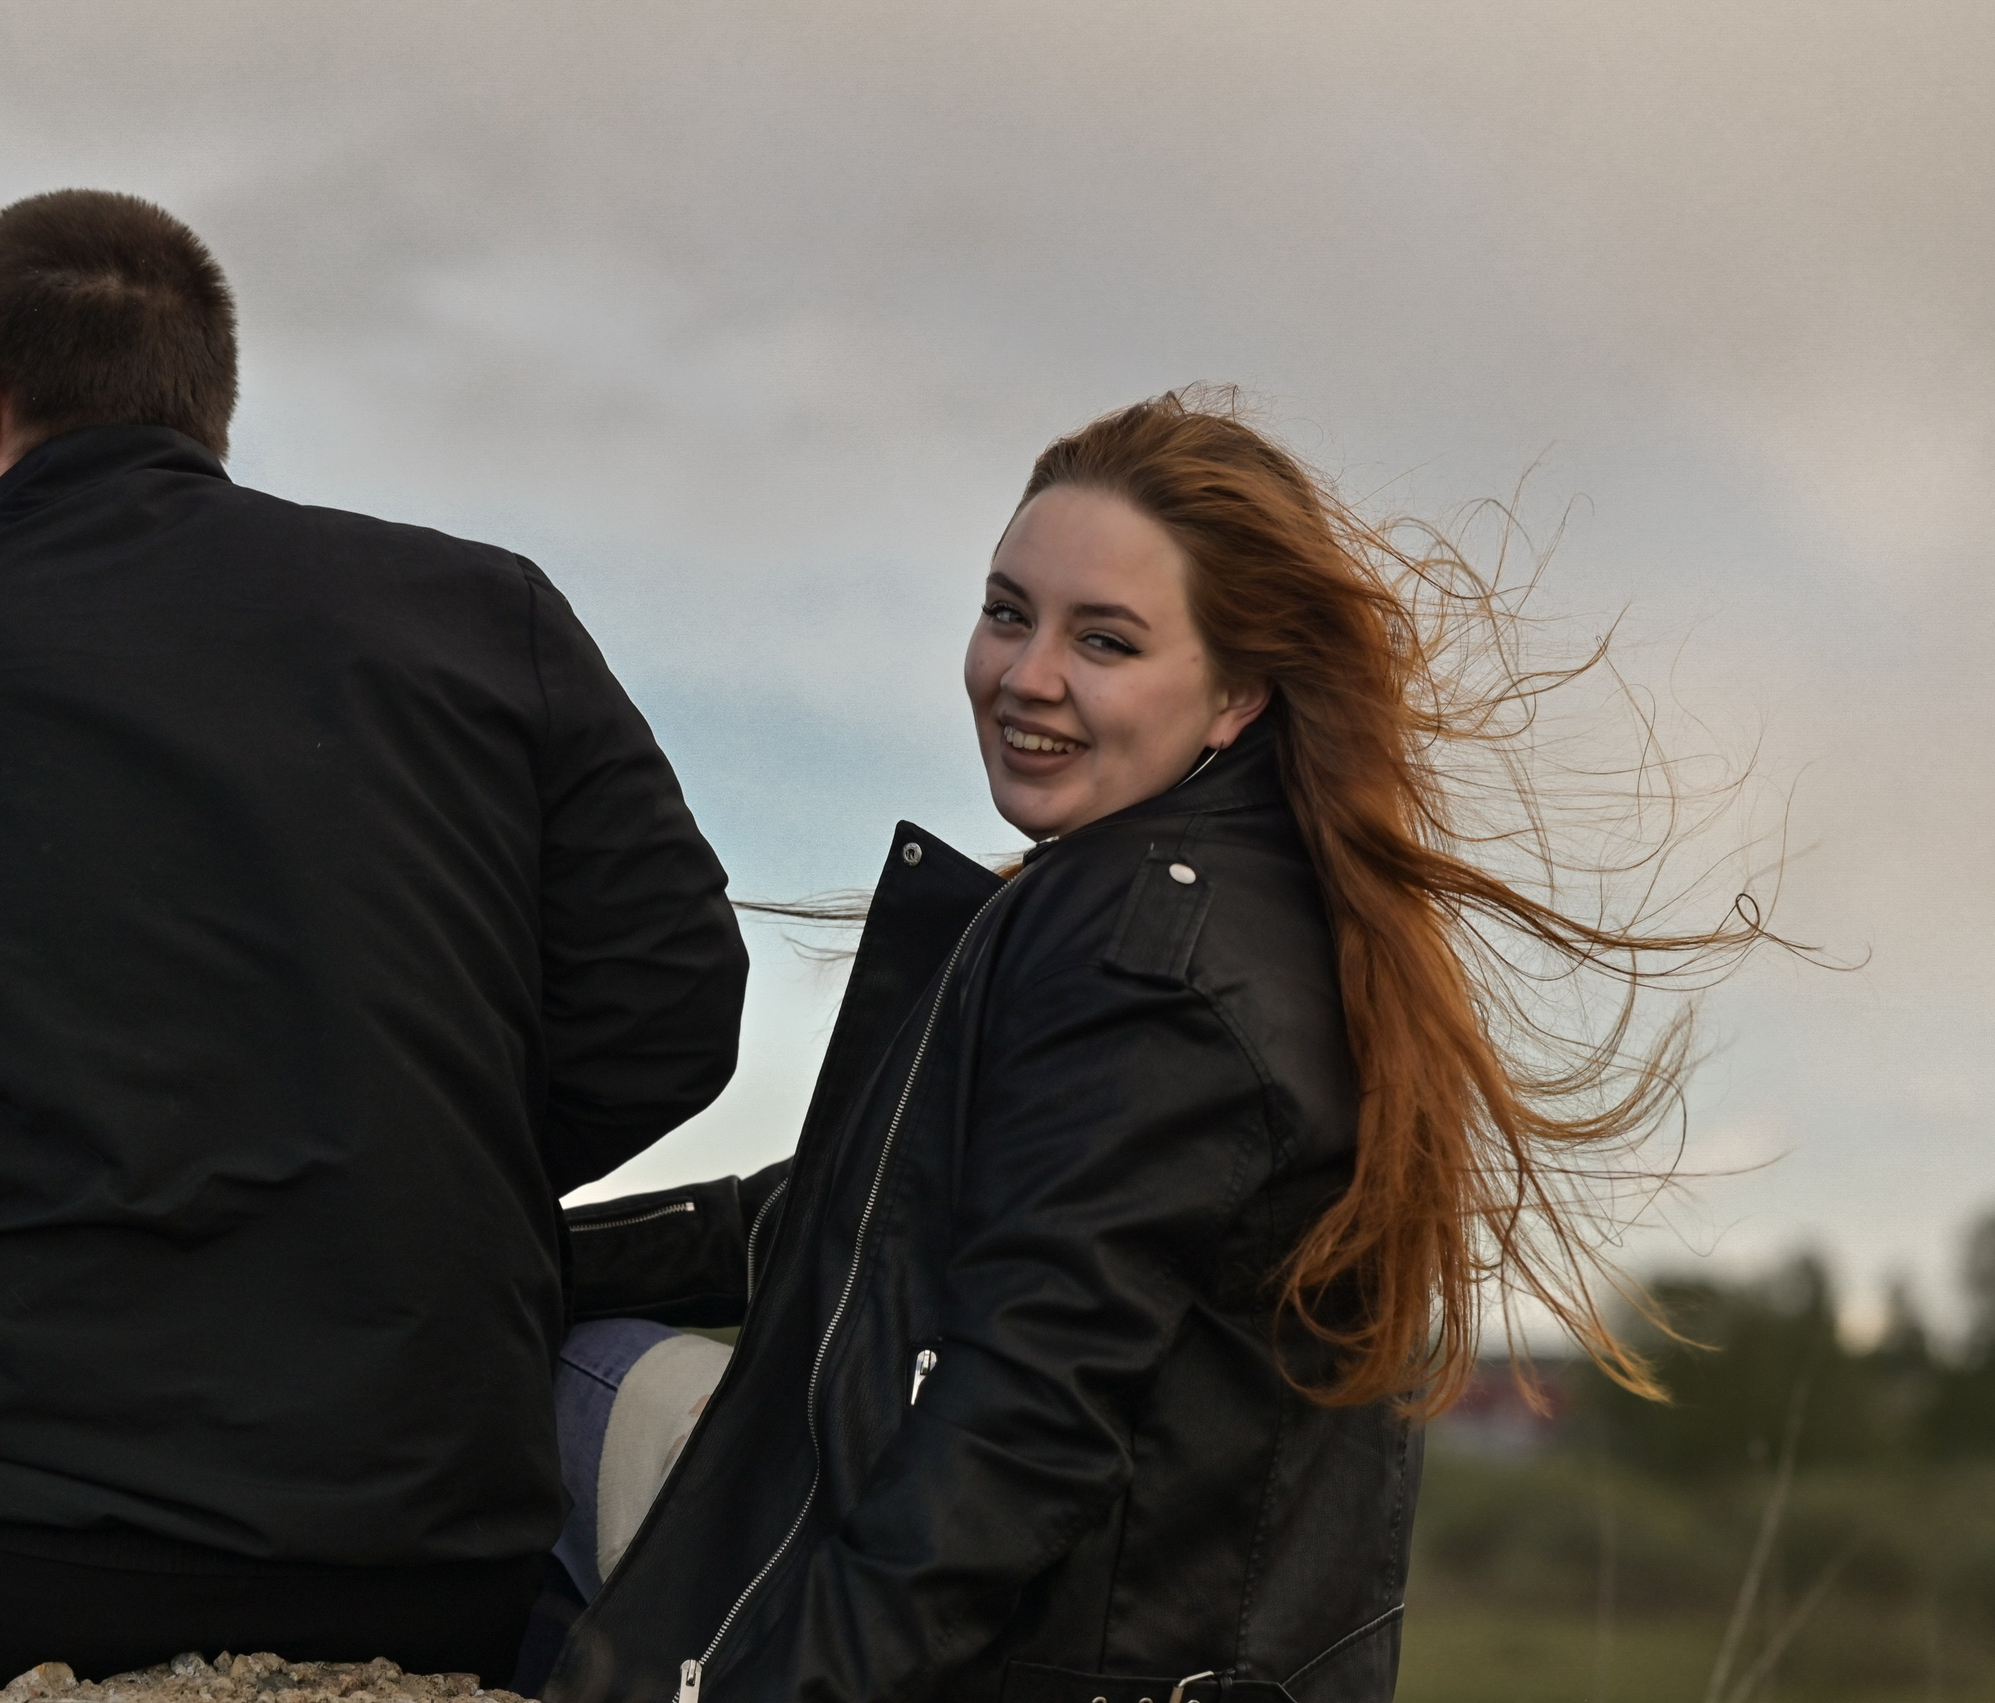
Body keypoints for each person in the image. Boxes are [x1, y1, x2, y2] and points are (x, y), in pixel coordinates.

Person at [0, 189, 749, 1703]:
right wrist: (403, 1151)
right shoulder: (486, 617)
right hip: (408, 1545)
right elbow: (676, 1011)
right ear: (206, 420)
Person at [539, 391, 1769, 1703]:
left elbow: (1019, 1433)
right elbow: (847, 1213)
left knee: (536, 1382)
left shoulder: (1145, 956)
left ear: (1236, 693)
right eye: (1007, 612)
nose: (1028, 677)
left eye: (1105, 641)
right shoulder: (1252, 908)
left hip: (1051, 1668)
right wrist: (512, 1247)